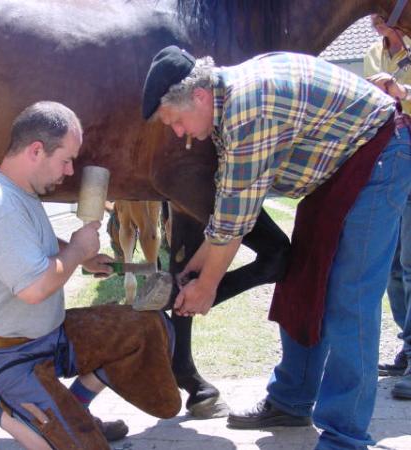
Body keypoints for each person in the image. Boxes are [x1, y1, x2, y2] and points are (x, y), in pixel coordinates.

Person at [142, 46, 411, 449]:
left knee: (348, 298)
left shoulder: (248, 109)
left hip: (378, 159)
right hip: (337, 171)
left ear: (198, 96)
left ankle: (345, 434)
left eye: (176, 121)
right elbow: (226, 207)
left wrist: (207, 286)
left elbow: (236, 220)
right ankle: (292, 400)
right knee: (300, 280)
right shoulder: (225, 102)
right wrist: (194, 270)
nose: (178, 133)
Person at [0, 101, 181, 450]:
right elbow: (34, 288)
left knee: (147, 328)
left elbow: (29, 242)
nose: (71, 171)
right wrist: (75, 251)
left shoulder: (20, 195)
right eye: (66, 160)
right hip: (5, 358)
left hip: (50, 337)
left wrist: (82, 259)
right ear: (36, 150)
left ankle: (76, 411)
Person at [364, 13, 411, 399]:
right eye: (374, 19)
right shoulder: (370, 54)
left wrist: (401, 90)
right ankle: (407, 347)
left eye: (383, 18)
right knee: (394, 267)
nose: (377, 24)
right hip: (391, 159)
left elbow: (400, 96)